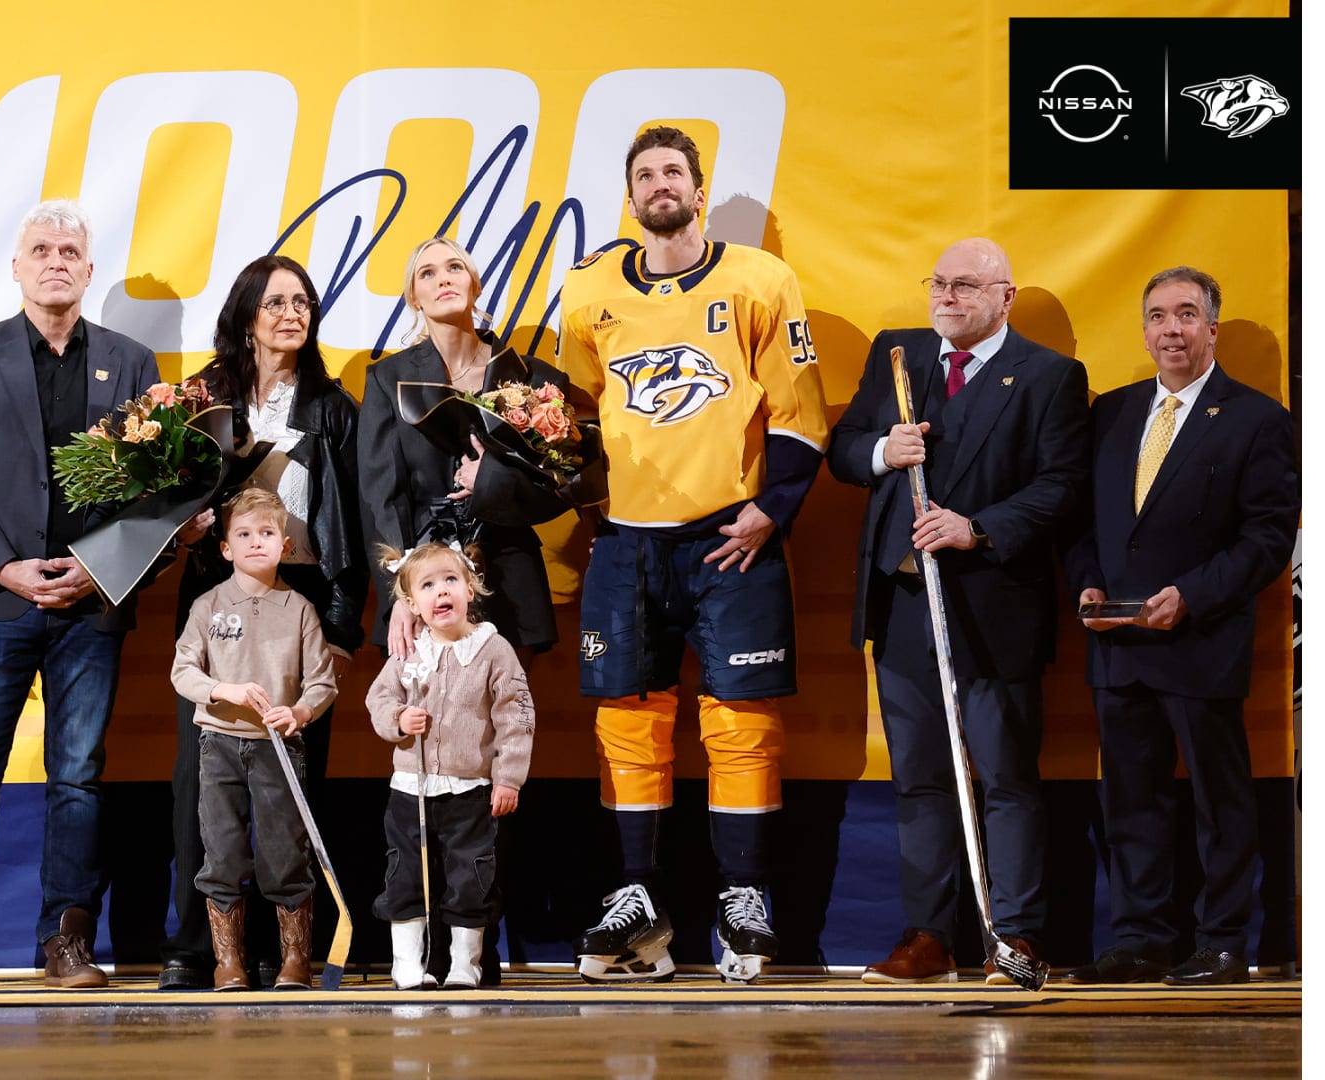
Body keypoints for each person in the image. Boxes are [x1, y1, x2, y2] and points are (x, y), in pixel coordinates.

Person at [555, 126, 831, 984]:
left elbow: (799, 410)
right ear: (630, 196)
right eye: (644, 174)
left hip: (728, 538)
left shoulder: (760, 280)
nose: (659, 184)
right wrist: (584, 501)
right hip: (626, 541)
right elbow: (569, 419)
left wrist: (770, 511)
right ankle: (638, 900)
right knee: (626, 718)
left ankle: (743, 896)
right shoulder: (589, 288)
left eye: (673, 171)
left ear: (698, 191)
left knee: (741, 720)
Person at [0, 199, 161, 991]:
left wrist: (99, 569)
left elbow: (153, 490)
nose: (56, 261)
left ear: (89, 271)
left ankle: (67, 941)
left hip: (90, 605)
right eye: (41, 250)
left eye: (69, 252)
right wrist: (5, 567)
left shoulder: (131, 362)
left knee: (77, 777)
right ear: (17, 268)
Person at [828, 238, 1089, 983]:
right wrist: (882, 451)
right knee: (919, 777)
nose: (946, 296)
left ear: (1006, 297)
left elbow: (1061, 484)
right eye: (939, 283)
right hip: (905, 601)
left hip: (993, 603)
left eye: (966, 285)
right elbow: (843, 449)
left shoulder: (1050, 376)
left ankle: (1016, 936)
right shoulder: (899, 354)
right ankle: (929, 937)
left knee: (1004, 775)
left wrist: (978, 528)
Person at [1064, 267, 1298, 986]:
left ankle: (1223, 942)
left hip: (1201, 641)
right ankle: (1142, 939)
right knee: (1131, 801)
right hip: (1118, 644)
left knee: (1219, 803)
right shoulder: (1111, 412)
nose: (1172, 329)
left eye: (1187, 314)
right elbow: (1081, 522)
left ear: (1211, 329)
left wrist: (1191, 597)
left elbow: (1267, 537)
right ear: (1144, 331)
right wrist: (1087, 583)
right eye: (1159, 316)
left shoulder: (1258, 419)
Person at [156, 255, 368, 989]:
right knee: (201, 787)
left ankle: (290, 953)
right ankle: (199, 948)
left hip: (303, 601)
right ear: (247, 315)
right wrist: (183, 529)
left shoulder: (334, 407)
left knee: (293, 787)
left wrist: (341, 629)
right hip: (216, 597)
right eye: (275, 302)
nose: (291, 313)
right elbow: (159, 506)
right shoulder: (200, 398)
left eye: (302, 302)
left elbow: (356, 529)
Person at [359, 237, 579, 663]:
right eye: (428, 273)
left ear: (474, 285)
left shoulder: (533, 378)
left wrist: (492, 480)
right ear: (414, 297)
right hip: (422, 580)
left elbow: (561, 485)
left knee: (507, 705)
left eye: (454, 268)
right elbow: (379, 497)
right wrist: (400, 593)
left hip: (508, 575)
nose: (443, 279)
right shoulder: (387, 378)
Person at [171, 488, 338, 990]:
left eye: (267, 533)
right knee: (222, 853)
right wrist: (224, 690)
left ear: (285, 546)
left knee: (285, 854)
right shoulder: (207, 605)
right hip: (219, 744)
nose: (255, 542)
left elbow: (323, 682)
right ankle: (228, 961)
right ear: (226, 548)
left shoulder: (299, 608)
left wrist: (301, 711)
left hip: (278, 748)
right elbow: (183, 671)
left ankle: (295, 959)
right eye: (243, 534)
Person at [365, 542, 536, 989]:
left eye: (450, 581)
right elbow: (378, 698)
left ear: (470, 589)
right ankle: (408, 964)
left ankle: (465, 965)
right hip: (412, 790)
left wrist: (508, 778)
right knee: (406, 875)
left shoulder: (493, 650)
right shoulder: (409, 651)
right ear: (412, 604)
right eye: (428, 585)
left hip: (470, 792)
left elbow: (516, 717)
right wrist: (399, 719)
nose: (441, 591)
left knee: (470, 877)